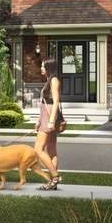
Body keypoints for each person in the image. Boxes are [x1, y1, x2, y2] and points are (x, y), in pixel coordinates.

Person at [34, 57, 63, 190]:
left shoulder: (54, 81)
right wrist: (39, 120)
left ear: (49, 68)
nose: (41, 68)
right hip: (46, 116)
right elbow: (44, 103)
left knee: (38, 149)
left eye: (43, 66)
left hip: (50, 117)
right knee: (51, 150)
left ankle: (55, 176)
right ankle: (53, 182)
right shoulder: (48, 81)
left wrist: (51, 121)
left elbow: (56, 101)